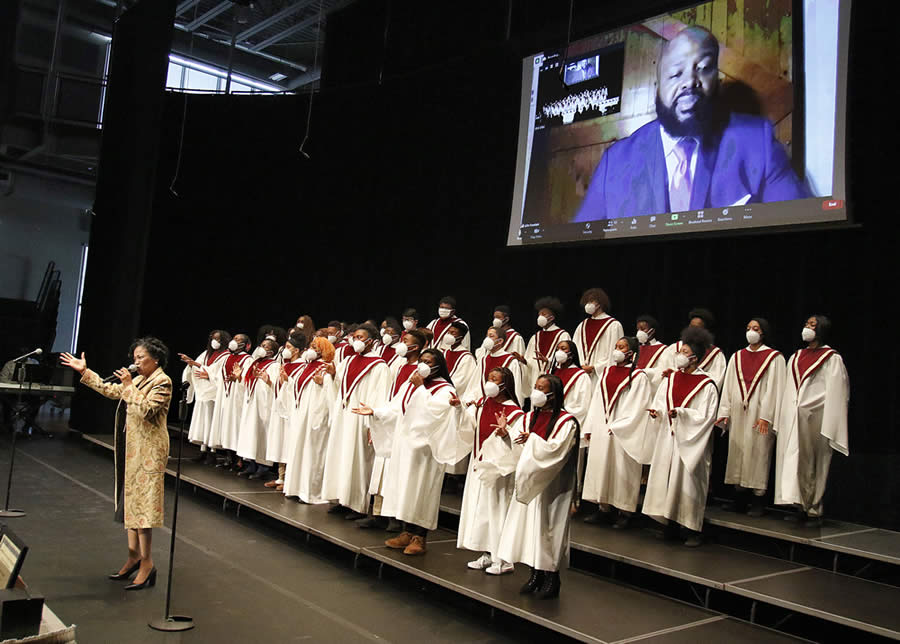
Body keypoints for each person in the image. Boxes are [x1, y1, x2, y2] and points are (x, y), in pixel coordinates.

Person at [572, 25, 808, 223]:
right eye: (676, 73)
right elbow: (581, 246)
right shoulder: (615, 161)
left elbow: (800, 222)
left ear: (717, 80)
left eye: (703, 68)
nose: (689, 82)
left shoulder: (758, 143)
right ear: (658, 87)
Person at [60, 338, 172, 590]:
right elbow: (111, 391)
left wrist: (129, 386)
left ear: (156, 359)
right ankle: (133, 556)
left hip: (148, 453)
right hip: (130, 449)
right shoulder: (140, 380)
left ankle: (147, 562)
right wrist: (85, 372)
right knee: (129, 502)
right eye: (135, 357)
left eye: (141, 357)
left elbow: (147, 410)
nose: (136, 361)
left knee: (143, 507)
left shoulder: (162, 381)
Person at [357, 349, 462, 555]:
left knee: (421, 492)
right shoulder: (410, 384)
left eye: (428, 362)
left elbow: (433, 415)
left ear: (438, 366)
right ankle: (406, 531)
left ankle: (420, 537)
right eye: (421, 360)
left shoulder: (445, 390)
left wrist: (421, 389)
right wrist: (376, 412)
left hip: (425, 450)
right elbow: (397, 408)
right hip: (405, 445)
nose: (423, 365)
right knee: (404, 489)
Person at [497, 374, 579, 599]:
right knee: (529, 529)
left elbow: (556, 451)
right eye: (535, 387)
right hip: (530, 483)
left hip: (553, 486)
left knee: (549, 530)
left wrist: (532, 440)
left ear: (554, 394)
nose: (536, 392)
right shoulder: (529, 417)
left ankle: (552, 577)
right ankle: (535, 574)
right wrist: (506, 434)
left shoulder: (566, 421)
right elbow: (518, 444)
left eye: (542, 388)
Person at [643, 326, 719, 547]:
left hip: (689, 442)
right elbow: (661, 400)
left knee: (687, 483)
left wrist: (683, 414)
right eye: (681, 351)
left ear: (695, 358)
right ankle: (669, 524)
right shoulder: (671, 378)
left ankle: (691, 528)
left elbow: (705, 416)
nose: (680, 356)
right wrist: (656, 412)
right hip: (668, 437)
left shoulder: (706, 385)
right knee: (667, 480)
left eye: (685, 353)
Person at [774, 315, 849, 527]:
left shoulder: (832, 358)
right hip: (796, 417)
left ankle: (814, 509)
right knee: (797, 460)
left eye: (812, 325)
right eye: (806, 324)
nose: (807, 328)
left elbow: (836, 392)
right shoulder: (797, 356)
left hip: (817, 417)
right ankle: (799, 505)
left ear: (821, 330)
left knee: (815, 462)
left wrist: (814, 409)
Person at [457, 367, 525, 575]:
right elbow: (470, 426)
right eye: (488, 378)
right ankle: (487, 552)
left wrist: (506, 434)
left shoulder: (514, 411)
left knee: (498, 511)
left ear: (506, 384)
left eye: (495, 379)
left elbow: (519, 442)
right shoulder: (483, 404)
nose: (490, 382)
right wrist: (458, 408)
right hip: (480, 463)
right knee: (482, 510)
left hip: (499, 468)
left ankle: (503, 559)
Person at [581, 337, 654, 528]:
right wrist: (589, 426)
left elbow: (639, 405)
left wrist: (621, 425)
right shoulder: (606, 372)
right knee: (601, 467)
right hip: (601, 426)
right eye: (616, 347)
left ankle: (624, 512)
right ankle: (603, 508)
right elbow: (596, 399)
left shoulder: (638, 376)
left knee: (622, 468)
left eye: (621, 347)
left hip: (622, 431)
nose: (617, 350)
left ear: (631, 352)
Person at [358, 329, 426, 530]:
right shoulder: (398, 365)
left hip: (404, 421)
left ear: (417, 347)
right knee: (382, 467)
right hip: (390, 419)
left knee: (395, 470)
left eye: (406, 341)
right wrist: (377, 417)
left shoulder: (420, 371)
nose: (401, 344)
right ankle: (379, 513)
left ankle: (395, 517)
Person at [716, 318, 786, 516]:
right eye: (748, 328)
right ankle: (739, 497)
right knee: (737, 451)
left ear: (763, 332)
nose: (751, 332)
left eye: (755, 329)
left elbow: (775, 390)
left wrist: (767, 415)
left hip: (759, 413)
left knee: (758, 452)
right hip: (739, 413)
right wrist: (725, 412)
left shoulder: (774, 358)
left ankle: (758, 499)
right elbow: (729, 386)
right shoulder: (738, 356)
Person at [321, 323, 390, 519]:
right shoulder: (348, 360)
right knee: (341, 456)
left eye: (361, 337)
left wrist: (372, 423)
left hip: (360, 417)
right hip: (344, 415)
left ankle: (356, 504)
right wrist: (333, 375)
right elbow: (338, 385)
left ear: (371, 341)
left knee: (357, 459)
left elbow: (381, 396)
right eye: (355, 337)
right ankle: (341, 498)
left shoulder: (379, 366)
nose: (356, 341)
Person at [282, 336, 336, 503]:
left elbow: (334, 392)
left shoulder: (327, 368)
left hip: (316, 416)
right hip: (300, 416)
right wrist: (287, 380)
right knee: (298, 450)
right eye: (311, 346)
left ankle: (312, 492)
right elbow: (296, 388)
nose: (311, 349)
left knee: (314, 454)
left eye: (315, 346)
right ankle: (296, 488)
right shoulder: (305, 367)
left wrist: (325, 382)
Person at [263, 334, 309, 490]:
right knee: (280, 442)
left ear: (297, 350)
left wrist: (288, 381)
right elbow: (280, 387)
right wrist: (269, 381)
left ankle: (289, 478)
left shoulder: (302, 366)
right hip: (280, 409)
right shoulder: (285, 364)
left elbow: (297, 388)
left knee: (288, 443)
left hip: (291, 412)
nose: (285, 351)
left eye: (289, 348)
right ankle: (280, 477)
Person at [179, 329, 231, 464]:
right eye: (213, 338)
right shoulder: (207, 353)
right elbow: (199, 364)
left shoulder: (226, 355)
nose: (215, 342)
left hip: (213, 392)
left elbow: (218, 373)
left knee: (211, 422)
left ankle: (212, 452)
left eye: (218, 339)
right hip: (203, 391)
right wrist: (191, 363)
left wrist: (206, 372)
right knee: (203, 422)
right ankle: (203, 449)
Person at [235, 338, 280, 480]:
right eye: (261, 345)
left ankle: (263, 467)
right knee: (251, 434)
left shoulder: (274, 365)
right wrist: (238, 377)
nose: (261, 347)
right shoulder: (255, 364)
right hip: (251, 403)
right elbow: (246, 383)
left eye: (265, 346)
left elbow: (274, 386)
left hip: (263, 405)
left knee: (261, 435)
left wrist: (267, 380)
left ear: (271, 351)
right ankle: (251, 464)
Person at [208, 334, 254, 469]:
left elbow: (248, 378)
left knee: (236, 426)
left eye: (239, 340)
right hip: (226, 396)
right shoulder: (227, 357)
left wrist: (238, 378)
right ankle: (229, 457)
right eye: (234, 339)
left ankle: (239, 460)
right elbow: (217, 375)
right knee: (226, 425)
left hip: (238, 397)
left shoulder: (248, 359)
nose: (235, 341)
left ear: (246, 344)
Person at [660, 308, 726, 390]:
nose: (692, 330)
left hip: (697, 395)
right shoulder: (674, 348)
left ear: (705, 330)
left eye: (697, 327)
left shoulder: (715, 354)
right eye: (691, 326)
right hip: (673, 390)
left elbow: (716, 381)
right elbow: (662, 371)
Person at [521, 297, 570, 392]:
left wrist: (548, 361)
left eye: (544, 314)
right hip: (536, 378)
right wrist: (525, 361)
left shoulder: (562, 335)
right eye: (539, 314)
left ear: (552, 317)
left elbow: (565, 359)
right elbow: (530, 359)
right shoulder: (535, 337)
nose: (540, 317)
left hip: (552, 378)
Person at [571, 288, 622, 379]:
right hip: (581, 373)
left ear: (600, 303)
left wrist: (595, 367)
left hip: (600, 374)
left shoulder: (613, 325)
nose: (588, 304)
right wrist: (580, 365)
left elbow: (614, 353)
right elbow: (575, 347)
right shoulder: (582, 325)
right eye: (587, 301)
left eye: (591, 301)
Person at [471, 326, 527, 404]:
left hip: (502, 403)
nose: (487, 339)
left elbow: (515, 387)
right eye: (487, 336)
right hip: (483, 402)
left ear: (500, 341)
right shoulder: (484, 360)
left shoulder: (510, 361)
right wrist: (473, 399)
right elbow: (476, 383)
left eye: (491, 336)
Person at [635, 314, 670, 389]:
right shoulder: (637, 349)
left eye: (643, 329)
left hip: (651, 386)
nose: (639, 332)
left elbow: (661, 369)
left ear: (652, 331)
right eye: (638, 329)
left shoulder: (664, 349)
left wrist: (643, 372)